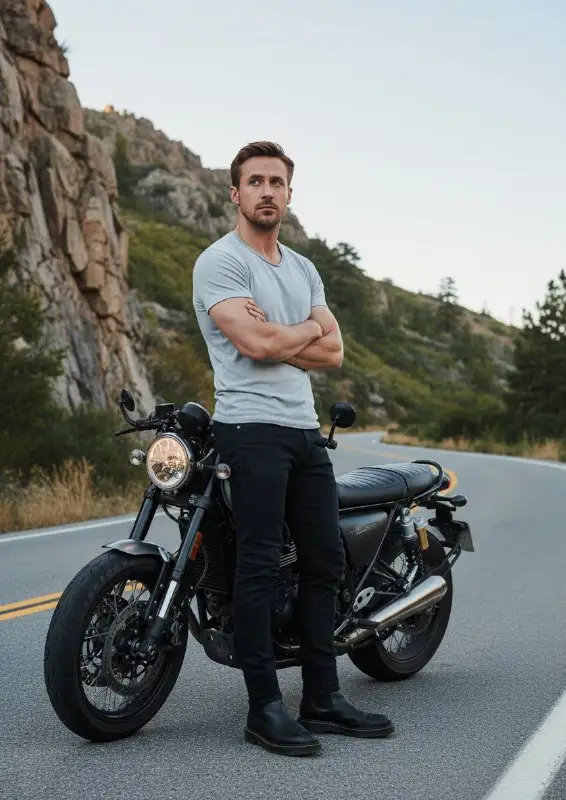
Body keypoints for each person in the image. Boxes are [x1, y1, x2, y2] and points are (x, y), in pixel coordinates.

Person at [192, 141, 393, 756]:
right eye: (255, 181)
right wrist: (302, 331)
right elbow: (254, 345)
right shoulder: (219, 263)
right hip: (249, 432)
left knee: (323, 564)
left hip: (304, 432)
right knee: (255, 567)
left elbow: (334, 354)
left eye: (277, 182)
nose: (267, 191)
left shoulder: (303, 269)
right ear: (235, 193)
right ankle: (263, 710)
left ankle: (323, 699)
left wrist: (289, 334)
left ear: (289, 193)